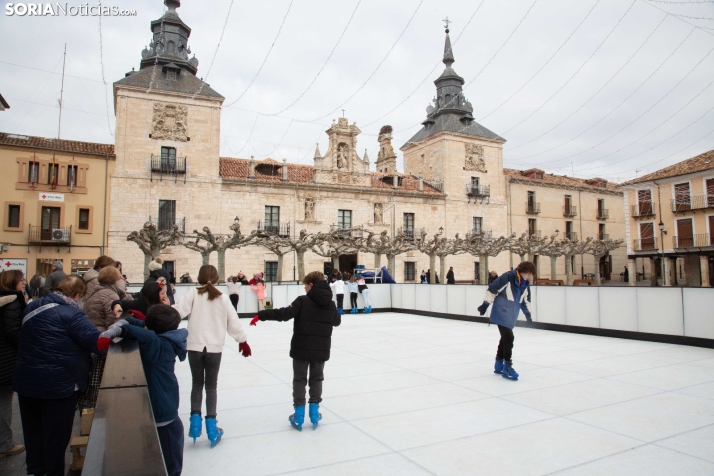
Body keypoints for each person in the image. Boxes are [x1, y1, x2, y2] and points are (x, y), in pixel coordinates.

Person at [14, 275, 109, 476]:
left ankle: (35, 471)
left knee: (33, 434)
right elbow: (97, 344)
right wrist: (120, 331)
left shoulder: (33, 307)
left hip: (28, 380)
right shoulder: (72, 314)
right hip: (59, 385)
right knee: (55, 437)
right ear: (76, 295)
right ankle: (53, 472)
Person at [250, 271, 341, 431]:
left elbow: (284, 314)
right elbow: (336, 321)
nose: (304, 288)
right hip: (321, 348)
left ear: (311, 285)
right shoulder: (330, 303)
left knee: (299, 379)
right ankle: (314, 413)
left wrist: (261, 315)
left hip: (301, 348)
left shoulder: (303, 301)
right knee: (316, 379)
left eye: (305, 285)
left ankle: (299, 415)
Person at [172, 265, 252, 447]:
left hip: (194, 346)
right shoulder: (223, 298)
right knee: (211, 386)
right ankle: (211, 426)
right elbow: (233, 322)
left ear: (199, 278)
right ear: (217, 278)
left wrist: (160, 316)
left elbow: (176, 312)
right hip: (214, 348)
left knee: (197, 383)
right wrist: (242, 341)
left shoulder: (193, 294)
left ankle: (194, 423)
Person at [109, 305, 187, 476]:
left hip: (162, 411)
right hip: (164, 406)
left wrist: (121, 329)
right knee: (157, 451)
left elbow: (146, 334)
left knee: (169, 459)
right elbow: (146, 329)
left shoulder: (156, 345)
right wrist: (131, 320)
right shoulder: (169, 339)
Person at [477, 261, 535, 381]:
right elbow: (493, 289)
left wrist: (528, 315)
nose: (529, 276)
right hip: (501, 312)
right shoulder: (508, 277)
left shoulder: (525, 284)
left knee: (505, 339)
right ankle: (507, 366)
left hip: (511, 315)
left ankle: (498, 364)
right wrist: (485, 304)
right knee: (509, 338)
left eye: (530, 274)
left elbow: (525, 301)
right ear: (522, 271)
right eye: (528, 273)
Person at [80, 266, 126, 411]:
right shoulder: (110, 296)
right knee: (99, 378)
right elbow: (113, 322)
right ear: (115, 280)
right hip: (102, 341)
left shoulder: (94, 292)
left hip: (92, 337)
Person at [0, 270, 26, 459]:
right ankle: (5, 445)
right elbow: (12, 330)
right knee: (4, 401)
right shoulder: (12, 300)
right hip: (6, 358)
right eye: (21, 280)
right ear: (12, 282)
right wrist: (25, 347)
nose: (24, 283)